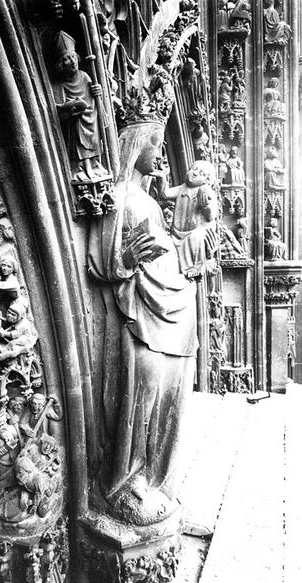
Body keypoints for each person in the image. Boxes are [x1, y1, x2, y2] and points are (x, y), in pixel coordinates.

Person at [88, 121, 198, 526]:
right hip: (142, 312)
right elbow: (101, 262)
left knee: (167, 392)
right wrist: (127, 260)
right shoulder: (120, 197)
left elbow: (162, 253)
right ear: (136, 147)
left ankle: (154, 479)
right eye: (156, 143)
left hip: (169, 306)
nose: (162, 153)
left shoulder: (146, 198)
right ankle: (125, 482)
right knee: (142, 391)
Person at [52, 31, 103, 181]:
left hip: (90, 116)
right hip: (75, 120)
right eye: (67, 59)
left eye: (74, 57)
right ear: (61, 64)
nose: (73, 61)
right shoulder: (60, 84)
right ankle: (82, 166)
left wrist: (97, 91)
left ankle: (94, 163)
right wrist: (69, 111)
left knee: (93, 135)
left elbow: (95, 99)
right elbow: (58, 108)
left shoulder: (85, 76)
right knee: (76, 130)